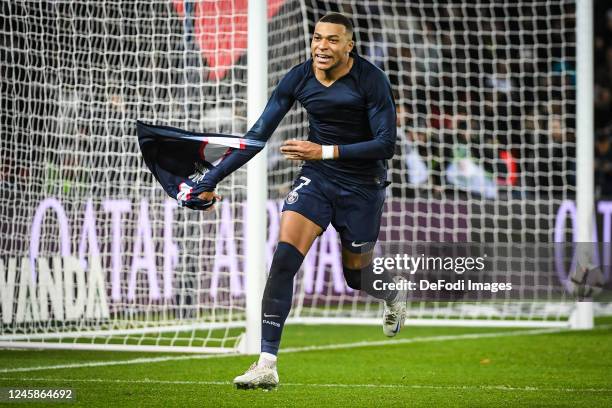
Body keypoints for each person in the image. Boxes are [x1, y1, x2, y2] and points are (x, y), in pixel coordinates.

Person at [197, 12, 406, 390]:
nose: (322, 46)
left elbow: (385, 144)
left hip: (362, 186)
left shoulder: (371, 80)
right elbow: (258, 134)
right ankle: (266, 363)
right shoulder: (300, 76)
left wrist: (322, 150)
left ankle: (392, 292)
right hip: (317, 179)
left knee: (356, 277)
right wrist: (210, 179)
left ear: (349, 46)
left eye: (332, 40)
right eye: (317, 38)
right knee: (283, 262)